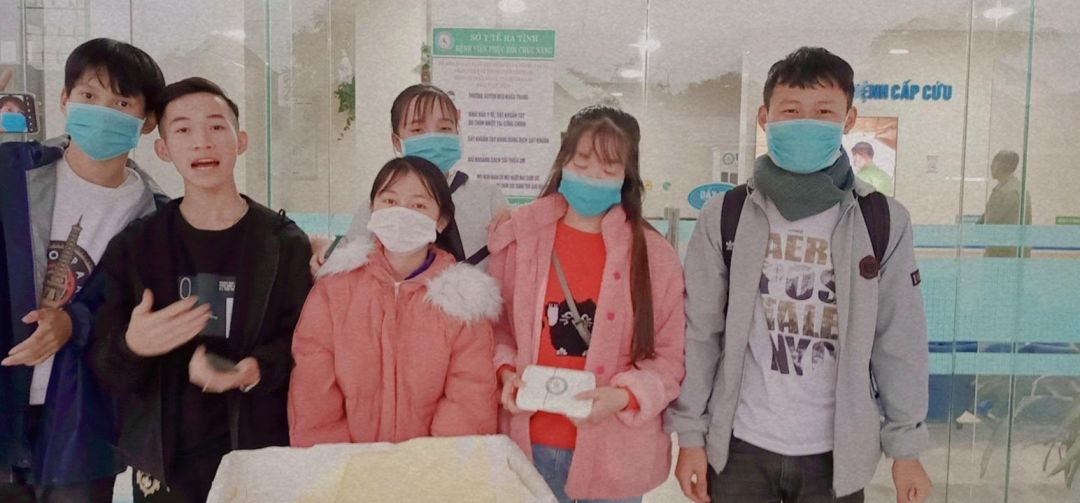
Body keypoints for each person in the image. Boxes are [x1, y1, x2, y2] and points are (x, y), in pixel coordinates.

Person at [665, 47, 932, 503]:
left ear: (848, 119)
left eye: (824, 111)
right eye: (791, 110)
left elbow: (898, 339)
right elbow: (700, 333)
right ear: (765, 118)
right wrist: (690, 435)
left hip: (836, 455)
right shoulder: (726, 215)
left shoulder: (882, 220)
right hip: (740, 448)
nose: (806, 121)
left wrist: (905, 447)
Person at [90, 77, 313, 502]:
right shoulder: (137, 246)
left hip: (258, 451)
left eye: (215, 126)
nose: (201, 142)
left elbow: (305, 342)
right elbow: (104, 363)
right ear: (163, 149)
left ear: (240, 141)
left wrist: (255, 369)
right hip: (165, 459)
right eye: (183, 130)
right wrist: (133, 345)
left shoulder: (283, 242)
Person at [489, 105, 686, 502]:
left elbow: (670, 357)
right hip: (529, 445)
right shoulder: (521, 239)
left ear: (627, 176)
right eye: (582, 163)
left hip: (614, 452)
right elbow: (496, 329)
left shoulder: (654, 256)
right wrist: (506, 372)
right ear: (563, 161)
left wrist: (625, 396)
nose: (593, 176)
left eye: (609, 168)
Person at [0, 38, 167, 503]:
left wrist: (75, 322)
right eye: (88, 96)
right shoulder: (13, 175)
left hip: (81, 425)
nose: (101, 112)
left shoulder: (155, 217)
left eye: (121, 103)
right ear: (64, 100)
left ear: (147, 121)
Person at [289, 156, 500, 447]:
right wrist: (334, 456)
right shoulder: (335, 287)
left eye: (418, 205)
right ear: (372, 210)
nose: (402, 213)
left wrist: (434, 463)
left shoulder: (463, 299)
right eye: (390, 201)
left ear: (441, 220)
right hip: (345, 461)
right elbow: (313, 381)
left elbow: (469, 393)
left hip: (430, 466)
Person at [310, 84, 508, 273]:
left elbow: (511, 259)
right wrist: (323, 251)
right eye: (418, 130)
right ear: (397, 141)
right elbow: (347, 259)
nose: (434, 138)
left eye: (445, 128)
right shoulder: (381, 205)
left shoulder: (487, 197)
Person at [979, 150, 1032, 258]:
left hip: (1004, 255)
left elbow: (990, 221)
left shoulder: (1008, 192)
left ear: (1001, 166)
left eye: (993, 163)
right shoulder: (1015, 187)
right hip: (1009, 254)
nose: (991, 166)